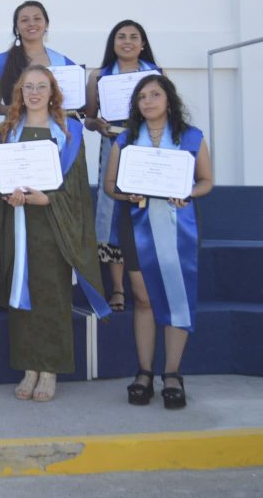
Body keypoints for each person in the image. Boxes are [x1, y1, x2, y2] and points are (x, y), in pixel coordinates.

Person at [0, 65, 108, 402]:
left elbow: (76, 187)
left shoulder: (69, 131)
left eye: (42, 86)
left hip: (53, 223)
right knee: (21, 291)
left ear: (53, 91)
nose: (35, 93)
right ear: (19, 92)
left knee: (51, 294)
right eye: (28, 87)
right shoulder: (7, 129)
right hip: (18, 222)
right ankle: (29, 367)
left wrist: (49, 199)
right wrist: (7, 196)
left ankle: (50, 368)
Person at [103, 75, 212, 409]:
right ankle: (145, 373)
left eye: (155, 94)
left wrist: (188, 192)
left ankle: (173, 374)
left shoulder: (191, 137)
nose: (148, 101)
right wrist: (125, 193)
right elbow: (110, 185)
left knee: (176, 295)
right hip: (136, 224)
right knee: (143, 299)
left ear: (169, 100)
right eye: (142, 97)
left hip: (180, 226)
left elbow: (206, 180)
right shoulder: (125, 140)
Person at [84, 20, 162, 312]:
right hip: (114, 145)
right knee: (114, 210)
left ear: (142, 44)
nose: (127, 41)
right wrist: (98, 124)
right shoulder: (99, 75)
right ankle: (117, 287)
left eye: (133, 36)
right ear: (113, 42)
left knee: (149, 208)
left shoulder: (156, 74)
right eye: (121, 36)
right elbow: (88, 119)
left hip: (150, 148)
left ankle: (150, 283)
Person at [0, 1, 76, 116]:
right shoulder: (3, 61)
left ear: (46, 24)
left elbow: (76, 105)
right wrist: (11, 111)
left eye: (37, 19)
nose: (32, 23)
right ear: (16, 27)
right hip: (18, 125)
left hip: (57, 126)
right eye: (25, 20)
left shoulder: (64, 63)